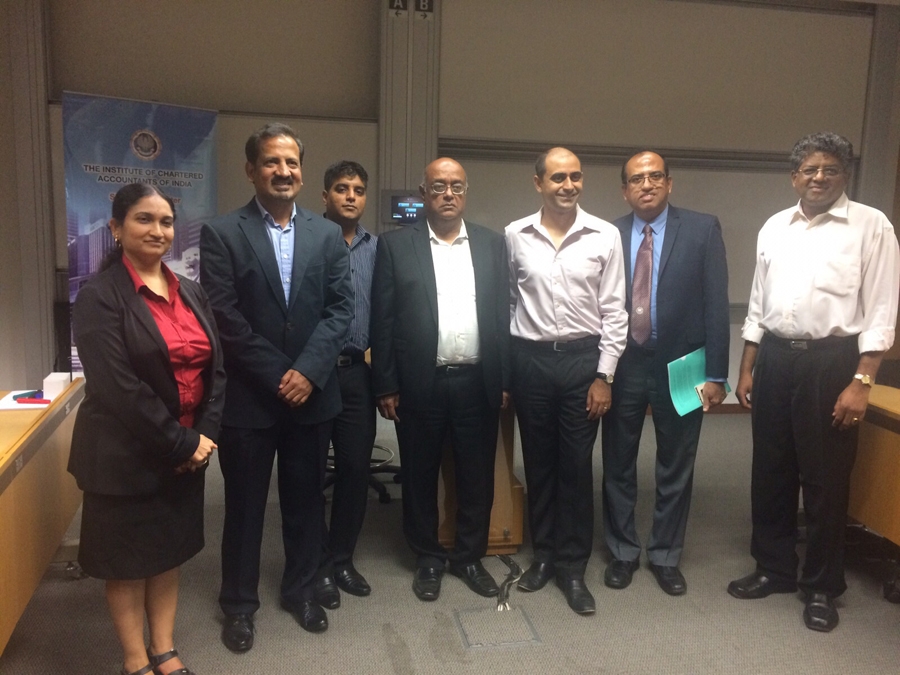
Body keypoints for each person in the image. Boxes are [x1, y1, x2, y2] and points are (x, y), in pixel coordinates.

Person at [729, 132, 900, 632]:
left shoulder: (871, 226)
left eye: (830, 169)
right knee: (771, 470)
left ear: (845, 174)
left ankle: (822, 585)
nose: (819, 177)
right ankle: (774, 568)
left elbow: (882, 311)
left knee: (824, 478)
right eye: (809, 169)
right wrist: (747, 366)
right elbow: (758, 303)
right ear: (794, 177)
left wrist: (862, 380)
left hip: (832, 362)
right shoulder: (774, 227)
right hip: (775, 358)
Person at [200, 123, 353, 649]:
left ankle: (302, 590)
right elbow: (224, 315)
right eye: (271, 162)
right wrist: (279, 373)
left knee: (306, 502)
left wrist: (307, 371)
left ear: (302, 172)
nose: (283, 171)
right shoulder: (222, 233)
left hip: (312, 394)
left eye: (292, 163)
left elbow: (341, 310)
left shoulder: (327, 234)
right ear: (251, 170)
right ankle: (239, 605)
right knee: (243, 507)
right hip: (250, 397)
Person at [69, 182, 225, 675]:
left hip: (187, 452)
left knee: (166, 553)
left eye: (166, 221)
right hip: (125, 455)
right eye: (144, 219)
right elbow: (118, 388)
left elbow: (217, 370)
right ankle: (135, 660)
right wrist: (180, 443)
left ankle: (164, 648)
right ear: (116, 228)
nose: (158, 230)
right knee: (128, 561)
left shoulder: (190, 291)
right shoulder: (98, 297)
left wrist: (204, 437)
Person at [370, 157, 510, 602]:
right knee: (419, 474)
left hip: (477, 381)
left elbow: (502, 316)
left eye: (456, 186)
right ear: (423, 193)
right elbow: (382, 320)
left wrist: (504, 378)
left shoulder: (491, 244)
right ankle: (428, 557)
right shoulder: (395, 246)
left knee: (476, 476)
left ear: (465, 192)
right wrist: (386, 383)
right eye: (438, 186)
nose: (448, 194)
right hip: (419, 383)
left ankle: (469, 556)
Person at [601, 151, 730, 596]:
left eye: (656, 176)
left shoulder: (702, 229)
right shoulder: (608, 234)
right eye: (637, 179)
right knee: (617, 460)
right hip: (625, 363)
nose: (647, 184)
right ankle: (621, 551)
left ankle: (665, 555)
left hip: (684, 365)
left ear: (669, 183)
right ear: (625, 190)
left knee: (677, 463)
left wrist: (717, 374)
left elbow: (716, 304)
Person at [506, 147, 628, 615]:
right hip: (531, 362)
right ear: (538, 182)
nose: (568, 185)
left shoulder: (604, 235)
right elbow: (508, 302)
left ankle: (572, 567)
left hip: (582, 364)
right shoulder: (515, 235)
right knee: (538, 463)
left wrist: (604, 375)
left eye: (575, 176)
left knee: (575, 466)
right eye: (558, 177)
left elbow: (614, 310)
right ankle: (544, 556)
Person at [315, 160, 378, 606]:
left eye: (357, 189)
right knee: (310, 472)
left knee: (355, 470)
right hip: (315, 374)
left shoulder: (379, 249)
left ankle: (342, 558)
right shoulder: (308, 241)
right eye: (341, 188)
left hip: (358, 373)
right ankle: (316, 562)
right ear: (325, 196)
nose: (350, 196)